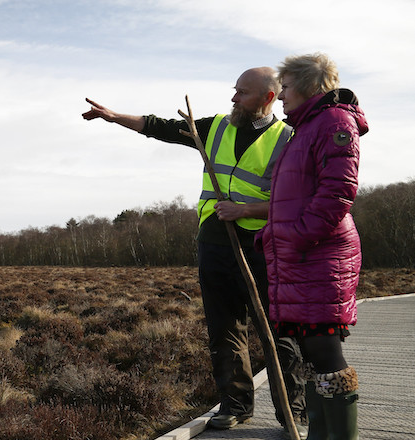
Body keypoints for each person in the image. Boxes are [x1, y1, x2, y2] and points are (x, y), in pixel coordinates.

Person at [83, 67, 307, 435]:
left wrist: (247, 211)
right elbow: (161, 127)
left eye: (242, 93)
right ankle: (235, 406)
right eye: (234, 90)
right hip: (215, 244)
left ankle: (290, 412)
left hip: (266, 248)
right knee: (224, 330)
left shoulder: (290, 140)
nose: (233, 98)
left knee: (279, 333)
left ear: (268, 98)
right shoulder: (217, 126)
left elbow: (299, 203)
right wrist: (113, 117)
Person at [260, 53, 367, 440]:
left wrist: (299, 234)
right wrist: (271, 234)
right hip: (302, 254)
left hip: (320, 255)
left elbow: (339, 190)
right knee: (313, 353)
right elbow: (293, 195)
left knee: (325, 351)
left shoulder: (334, 122)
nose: (281, 95)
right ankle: (322, 434)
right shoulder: (304, 127)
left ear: (306, 86)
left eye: (286, 87)